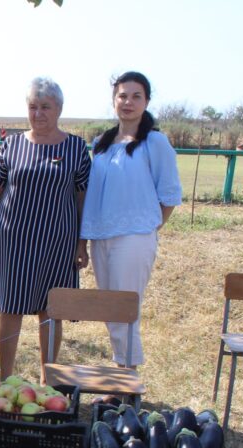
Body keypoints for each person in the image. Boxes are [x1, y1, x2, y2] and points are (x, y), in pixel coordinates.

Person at [0, 78, 91, 380]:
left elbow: (83, 200)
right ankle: (5, 378)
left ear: (59, 109)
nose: (38, 113)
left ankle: (48, 377)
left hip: (59, 243)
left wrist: (83, 244)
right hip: (13, 241)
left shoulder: (77, 149)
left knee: (51, 309)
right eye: (33, 107)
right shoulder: (12, 144)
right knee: (10, 307)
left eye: (46, 107)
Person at [81, 71, 182, 368]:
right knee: (111, 309)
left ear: (147, 101)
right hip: (102, 237)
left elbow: (169, 195)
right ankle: (120, 372)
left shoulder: (155, 142)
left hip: (135, 238)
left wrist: (146, 228)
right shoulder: (101, 143)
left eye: (136, 96)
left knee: (126, 309)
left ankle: (128, 379)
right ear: (114, 100)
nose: (128, 102)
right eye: (123, 96)